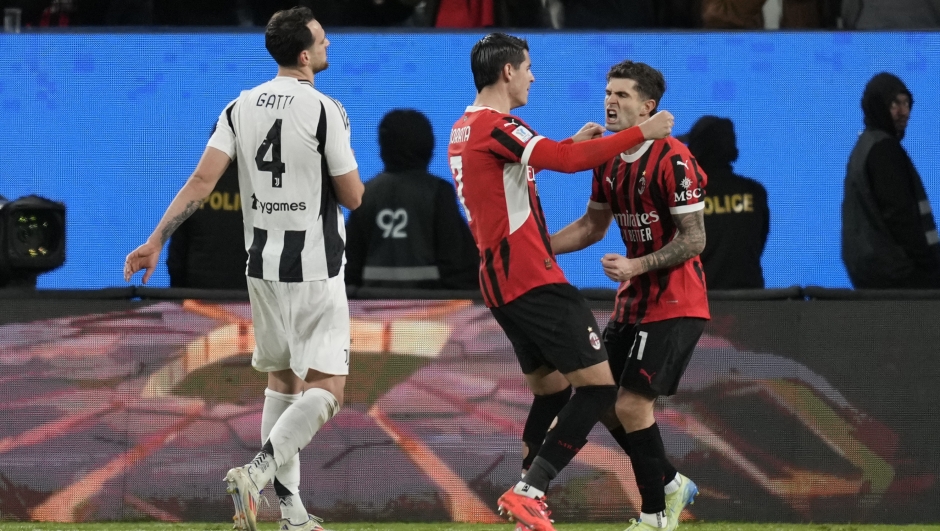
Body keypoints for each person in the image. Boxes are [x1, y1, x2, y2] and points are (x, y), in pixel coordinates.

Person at [124, 7, 364, 531]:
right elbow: (352, 196)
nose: (329, 46)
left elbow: (201, 182)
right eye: (322, 40)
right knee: (328, 388)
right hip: (315, 265)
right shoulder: (327, 109)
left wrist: (154, 239)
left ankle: (293, 514)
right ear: (304, 55)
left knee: (283, 381)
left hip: (262, 266)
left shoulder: (238, 107)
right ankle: (255, 473)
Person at [447, 33, 674, 531]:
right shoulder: (499, 125)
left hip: (501, 284)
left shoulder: (465, 128)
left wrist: (572, 142)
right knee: (597, 390)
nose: (533, 76)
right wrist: (643, 132)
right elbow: (566, 164)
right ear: (508, 71)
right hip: (533, 280)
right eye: (528, 67)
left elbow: (530, 168)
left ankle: (527, 504)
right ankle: (530, 490)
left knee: (550, 392)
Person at [552, 60, 708, 531]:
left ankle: (654, 516)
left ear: (649, 106)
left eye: (622, 94)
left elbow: (695, 238)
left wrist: (637, 264)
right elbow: (591, 226)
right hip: (633, 301)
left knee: (631, 405)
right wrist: (536, 248)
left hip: (677, 301)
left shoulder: (673, 158)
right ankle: (671, 483)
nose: (610, 101)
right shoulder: (606, 157)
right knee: (599, 398)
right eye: (608, 92)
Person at [344, 109, 478, 290]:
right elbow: (459, 263)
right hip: (431, 312)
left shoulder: (364, 193)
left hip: (370, 312)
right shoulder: (438, 192)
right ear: (428, 145)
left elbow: (349, 265)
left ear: (383, 146)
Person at [842, 73, 940, 290]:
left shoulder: (864, 148)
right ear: (877, 106)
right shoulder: (884, 150)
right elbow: (901, 217)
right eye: (895, 103)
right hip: (902, 276)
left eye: (906, 103)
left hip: (877, 274)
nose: (903, 112)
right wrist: (931, 269)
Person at [682, 116, 768, 290]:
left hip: (698, 305)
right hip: (751, 304)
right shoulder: (754, 192)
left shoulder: (684, 196)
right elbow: (758, 244)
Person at [167, 156, 249, 290]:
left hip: (199, 300)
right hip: (248, 302)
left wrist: (179, 298)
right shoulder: (267, 193)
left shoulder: (193, 189)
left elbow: (176, 257)